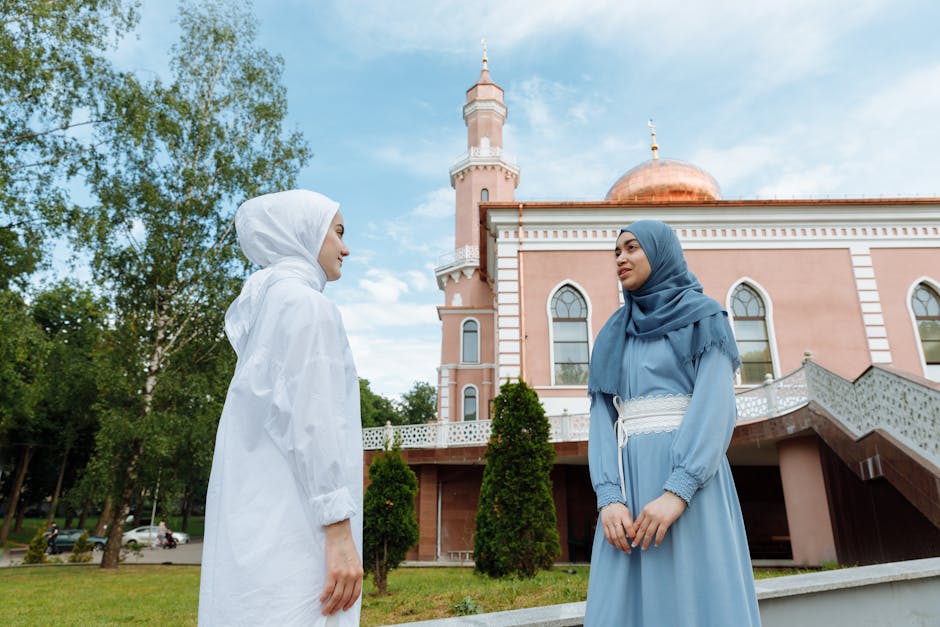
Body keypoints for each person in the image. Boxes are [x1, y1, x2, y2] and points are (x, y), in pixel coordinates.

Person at [198, 190, 363, 626]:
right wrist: (338, 531)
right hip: (297, 534)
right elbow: (315, 421)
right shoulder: (307, 306)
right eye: (338, 231)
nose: (346, 247)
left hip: (256, 531)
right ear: (303, 232)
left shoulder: (269, 307)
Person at [584, 220, 761, 626]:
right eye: (616, 252)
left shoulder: (704, 317)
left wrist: (678, 491)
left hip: (692, 488)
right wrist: (608, 497)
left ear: (661, 252)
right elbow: (602, 417)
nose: (621, 259)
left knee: (696, 593)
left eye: (632, 248)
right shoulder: (613, 334)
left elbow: (716, 405)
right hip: (627, 495)